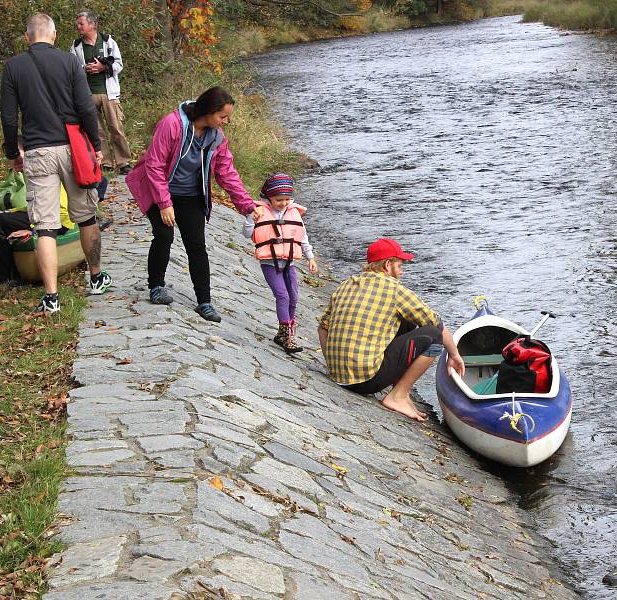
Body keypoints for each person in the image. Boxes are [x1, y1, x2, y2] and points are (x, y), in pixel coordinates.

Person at [0, 13, 113, 313]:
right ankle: (96, 279)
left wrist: (14, 154)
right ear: (53, 35)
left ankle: (52, 298)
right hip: (73, 149)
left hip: (37, 151)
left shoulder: (13, 68)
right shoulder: (69, 61)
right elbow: (86, 107)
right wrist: (97, 145)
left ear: (28, 37)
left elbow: (9, 119)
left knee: (45, 228)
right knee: (87, 216)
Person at [126, 86, 258, 322]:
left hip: (191, 196)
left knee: (197, 245)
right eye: (223, 116)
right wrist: (165, 204)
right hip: (161, 191)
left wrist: (247, 206)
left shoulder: (216, 138)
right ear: (208, 111)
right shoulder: (172, 124)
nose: (227, 121)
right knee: (164, 236)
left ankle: (204, 302)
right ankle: (156, 286)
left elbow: (226, 173)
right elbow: (154, 165)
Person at [317, 238, 465, 421]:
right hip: (365, 382)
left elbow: (322, 329)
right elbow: (435, 323)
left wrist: (334, 365)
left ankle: (399, 390)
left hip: (337, 376)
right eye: (400, 265)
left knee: (407, 321)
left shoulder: (346, 285)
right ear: (388, 265)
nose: (402, 272)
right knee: (433, 335)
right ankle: (398, 396)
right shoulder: (395, 290)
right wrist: (454, 355)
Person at [242, 173, 318, 353]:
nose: (284, 203)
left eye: (287, 199)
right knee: (282, 296)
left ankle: (283, 332)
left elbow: (303, 236)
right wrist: (249, 219)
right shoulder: (258, 211)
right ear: (269, 197)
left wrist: (311, 257)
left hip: (289, 263)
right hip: (269, 263)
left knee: (293, 297)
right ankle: (288, 336)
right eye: (279, 199)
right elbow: (246, 234)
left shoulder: (293, 212)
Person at [69, 10, 132, 174]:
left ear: (92, 24)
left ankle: (123, 162)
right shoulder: (76, 46)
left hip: (108, 92)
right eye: (78, 23)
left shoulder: (108, 41)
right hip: (87, 93)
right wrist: (86, 69)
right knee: (96, 130)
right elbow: (72, 70)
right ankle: (105, 162)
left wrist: (103, 67)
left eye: (81, 23)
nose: (78, 27)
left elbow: (119, 64)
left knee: (116, 127)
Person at [0, 183, 76, 285]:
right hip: (40, 216)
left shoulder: (49, 177)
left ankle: (6, 278)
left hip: (57, 222)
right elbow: (33, 206)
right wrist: (7, 212)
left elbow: (62, 213)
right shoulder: (32, 176)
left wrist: (33, 230)